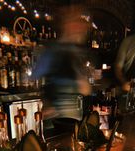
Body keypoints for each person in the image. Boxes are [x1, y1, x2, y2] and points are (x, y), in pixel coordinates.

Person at [32, 4, 91, 137]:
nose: (80, 27)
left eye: (81, 22)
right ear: (66, 24)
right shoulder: (53, 50)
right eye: (75, 21)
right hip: (55, 118)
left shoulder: (77, 51)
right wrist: (48, 102)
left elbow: (85, 88)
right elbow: (35, 77)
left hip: (74, 118)